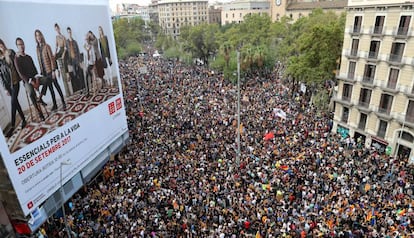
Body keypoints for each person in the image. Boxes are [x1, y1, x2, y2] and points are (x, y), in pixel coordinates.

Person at [14, 37, 46, 122]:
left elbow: (35, 70)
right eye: (19, 45)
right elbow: (21, 74)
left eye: (22, 44)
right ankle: (40, 113)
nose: (22, 46)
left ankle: (40, 97)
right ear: (17, 46)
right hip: (27, 81)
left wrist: (37, 80)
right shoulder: (17, 59)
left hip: (35, 78)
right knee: (31, 92)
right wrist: (31, 82)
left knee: (47, 80)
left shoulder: (29, 57)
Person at [0, 39, 26, 137]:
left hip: (15, 81)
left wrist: (23, 78)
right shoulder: (0, 59)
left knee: (13, 102)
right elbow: (1, 76)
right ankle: (23, 120)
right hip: (8, 85)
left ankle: (12, 126)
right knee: (15, 102)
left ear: (3, 43)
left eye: (1, 44)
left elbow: (18, 64)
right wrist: (5, 88)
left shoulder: (10, 52)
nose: (1, 46)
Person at [35, 29, 66, 111]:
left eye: (39, 35)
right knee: (51, 89)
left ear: (41, 36)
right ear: (36, 37)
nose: (38, 37)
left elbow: (52, 59)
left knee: (57, 86)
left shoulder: (47, 46)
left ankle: (63, 102)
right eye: (36, 35)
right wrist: (41, 72)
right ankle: (55, 104)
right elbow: (40, 61)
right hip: (44, 73)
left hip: (50, 71)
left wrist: (53, 71)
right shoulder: (37, 49)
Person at [54, 23, 72, 96]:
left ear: (59, 28)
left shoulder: (63, 37)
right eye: (55, 29)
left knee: (64, 59)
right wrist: (55, 53)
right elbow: (56, 46)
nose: (57, 30)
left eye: (57, 28)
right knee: (54, 57)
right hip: (59, 50)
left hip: (64, 50)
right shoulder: (56, 37)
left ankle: (67, 74)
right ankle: (57, 70)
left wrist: (64, 53)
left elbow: (65, 47)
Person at [66, 26, 85, 93]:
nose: (69, 33)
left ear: (71, 32)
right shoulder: (67, 42)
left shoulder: (75, 42)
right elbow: (67, 53)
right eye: (68, 32)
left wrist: (80, 61)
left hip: (77, 59)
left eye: (70, 32)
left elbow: (78, 51)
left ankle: (83, 88)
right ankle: (80, 88)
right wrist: (68, 63)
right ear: (67, 33)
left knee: (80, 73)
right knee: (75, 74)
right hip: (72, 61)